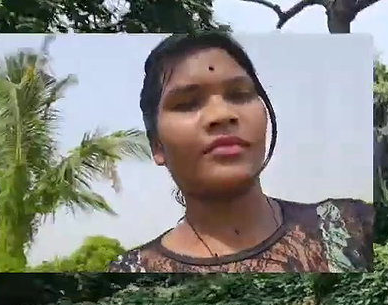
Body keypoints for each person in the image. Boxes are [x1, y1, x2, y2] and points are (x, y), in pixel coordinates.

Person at [108, 32, 373, 273]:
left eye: (239, 94)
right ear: (157, 146)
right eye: (188, 104)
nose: (222, 115)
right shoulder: (132, 271)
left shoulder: (352, 227)